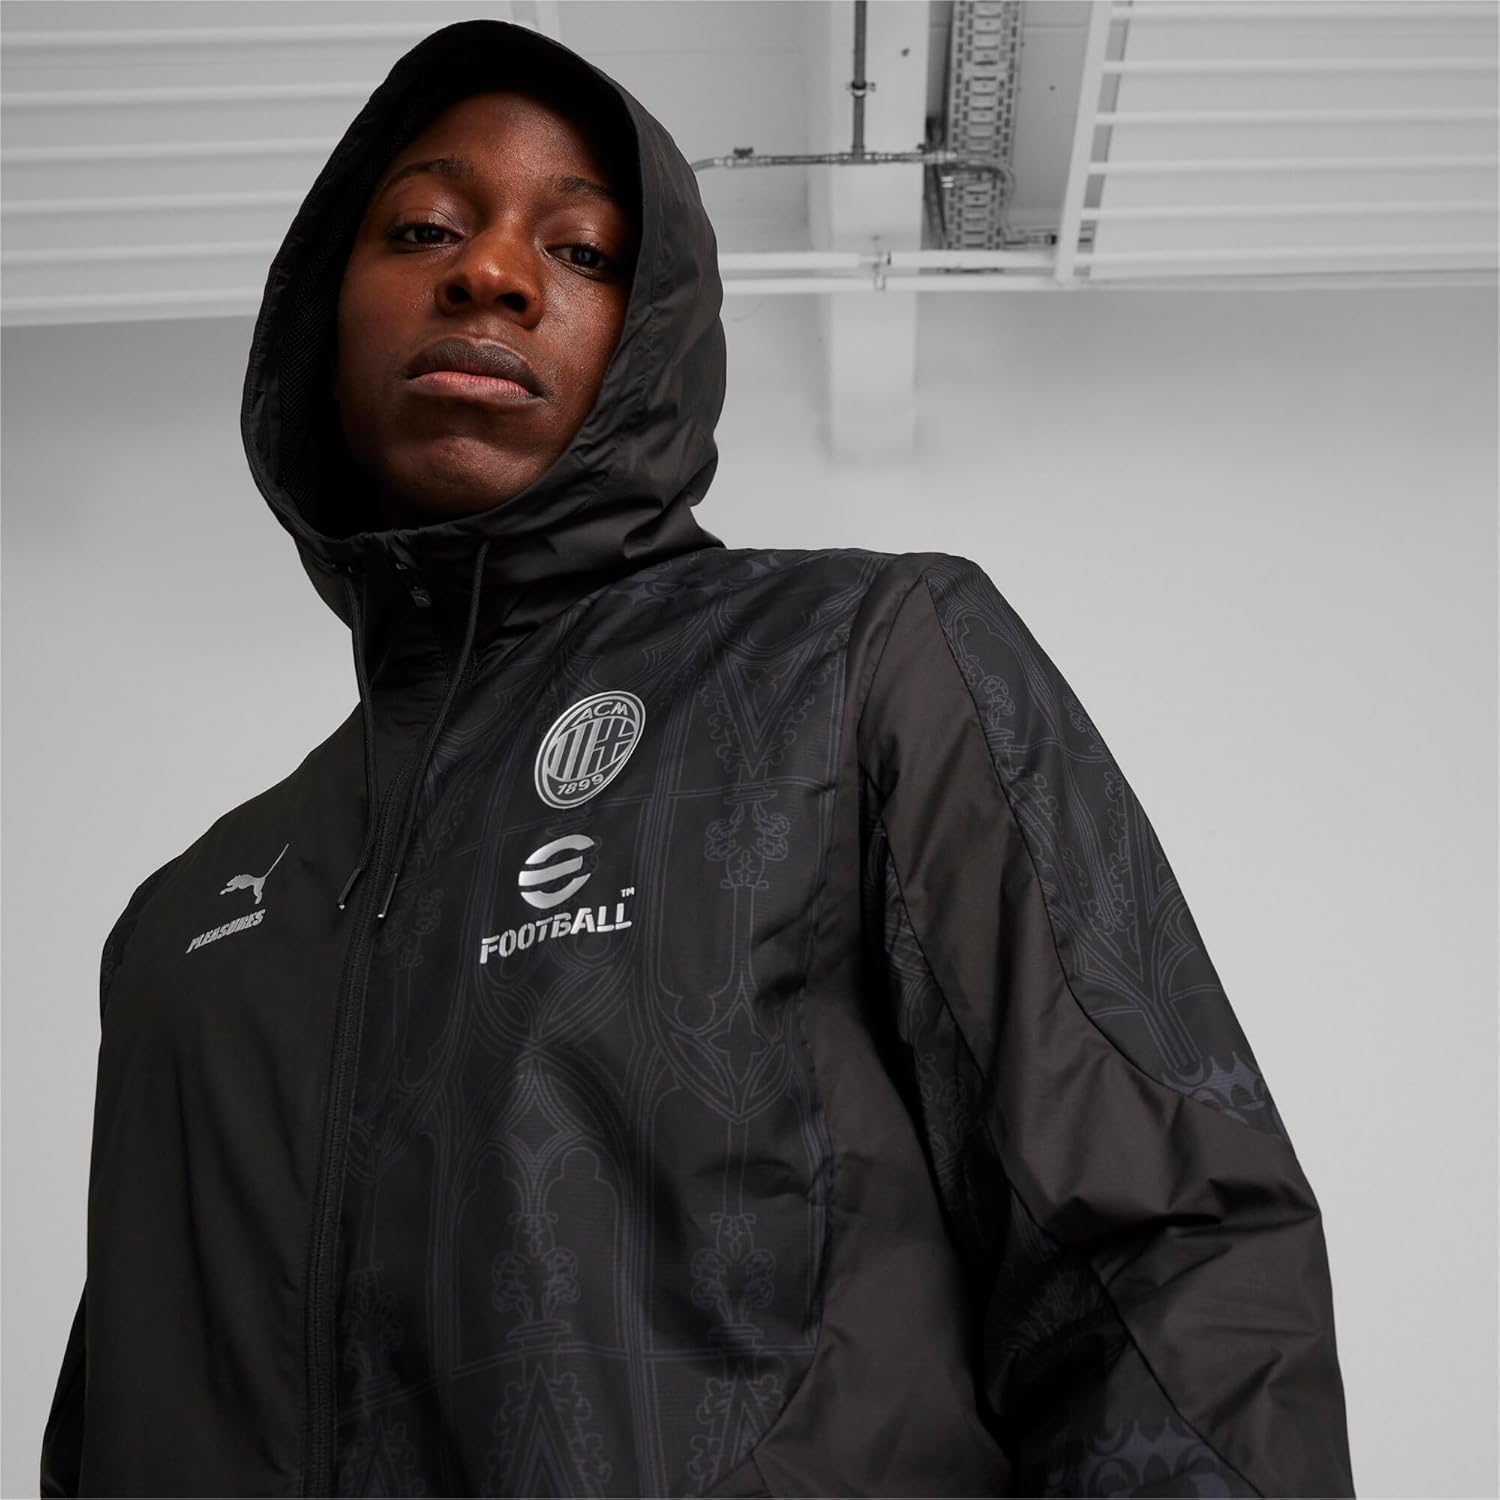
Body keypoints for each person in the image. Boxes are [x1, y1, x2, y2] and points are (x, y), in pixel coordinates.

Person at [40, 18, 1355, 1499]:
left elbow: (1162, 1253)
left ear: (654, 338)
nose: (491, 273)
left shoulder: (851, 661)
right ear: (318, 326)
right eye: (423, 229)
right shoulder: (188, 921)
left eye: (583, 251)